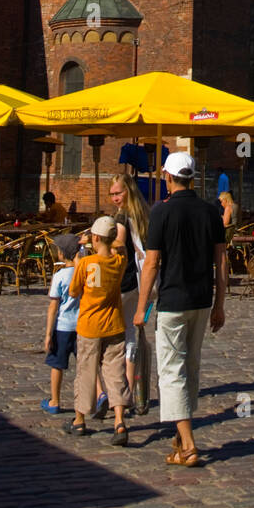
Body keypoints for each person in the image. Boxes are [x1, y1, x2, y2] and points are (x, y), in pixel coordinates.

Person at [135, 151, 226, 467]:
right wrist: (220, 304)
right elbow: (221, 261)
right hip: (202, 301)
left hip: (173, 302)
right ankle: (179, 435)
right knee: (191, 366)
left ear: (168, 177)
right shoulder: (211, 212)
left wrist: (142, 306)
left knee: (172, 371)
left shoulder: (161, 213)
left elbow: (151, 264)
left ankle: (188, 444)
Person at [68, 216, 129, 444]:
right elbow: (121, 247)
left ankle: (79, 419)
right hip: (113, 324)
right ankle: (120, 422)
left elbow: (74, 292)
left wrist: (83, 249)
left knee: (86, 371)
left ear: (94, 237)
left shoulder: (85, 263)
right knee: (115, 372)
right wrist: (109, 241)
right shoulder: (118, 262)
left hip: (89, 325)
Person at [108, 173, 152, 409]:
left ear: (128, 192)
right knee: (131, 336)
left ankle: (118, 394)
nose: (115, 198)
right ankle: (131, 390)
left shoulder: (123, 216)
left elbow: (118, 245)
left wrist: (99, 241)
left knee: (111, 337)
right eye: (112, 194)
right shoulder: (144, 213)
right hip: (141, 281)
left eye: (118, 193)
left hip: (124, 281)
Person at [42, 234, 80, 414]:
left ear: (62, 254)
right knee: (86, 365)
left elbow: (53, 306)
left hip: (63, 326)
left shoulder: (60, 276)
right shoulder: (83, 273)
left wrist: (48, 334)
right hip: (81, 326)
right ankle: (96, 396)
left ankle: (55, 401)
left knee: (57, 364)